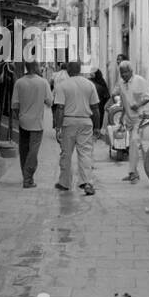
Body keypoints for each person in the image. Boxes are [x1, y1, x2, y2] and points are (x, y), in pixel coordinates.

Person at [52, 61, 100, 196]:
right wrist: (97, 127)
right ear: (80, 70)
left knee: (66, 153)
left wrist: (58, 127)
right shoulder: (89, 84)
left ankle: (64, 183)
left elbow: (60, 108)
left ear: (67, 71)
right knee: (85, 153)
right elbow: (95, 108)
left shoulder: (63, 85)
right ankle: (87, 183)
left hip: (69, 122)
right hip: (86, 122)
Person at [10, 61, 52, 188]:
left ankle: (26, 176)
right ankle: (28, 178)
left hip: (23, 122)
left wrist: (20, 116)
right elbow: (49, 102)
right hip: (37, 123)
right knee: (33, 151)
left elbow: (15, 105)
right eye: (38, 66)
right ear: (35, 67)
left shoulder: (19, 82)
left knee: (24, 150)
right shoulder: (43, 82)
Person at [115, 60, 149, 183]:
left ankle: (132, 173)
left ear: (131, 71)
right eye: (121, 73)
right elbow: (124, 101)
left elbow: (148, 97)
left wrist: (138, 104)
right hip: (129, 119)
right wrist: (122, 116)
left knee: (134, 142)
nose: (123, 75)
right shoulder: (121, 83)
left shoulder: (139, 81)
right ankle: (134, 172)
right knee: (132, 146)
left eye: (125, 72)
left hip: (141, 117)